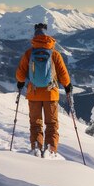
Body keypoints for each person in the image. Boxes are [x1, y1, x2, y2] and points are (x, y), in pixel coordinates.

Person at [16, 23, 72, 157]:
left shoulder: (29, 53)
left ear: (35, 36)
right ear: (47, 36)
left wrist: (20, 83)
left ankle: (36, 146)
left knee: (35, 124)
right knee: (52, 124)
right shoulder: (54, 54)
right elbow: (63, 74)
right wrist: (68, 86)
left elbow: (20, 74)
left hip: (33, 93)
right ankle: (50, 149)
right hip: (51, 93)